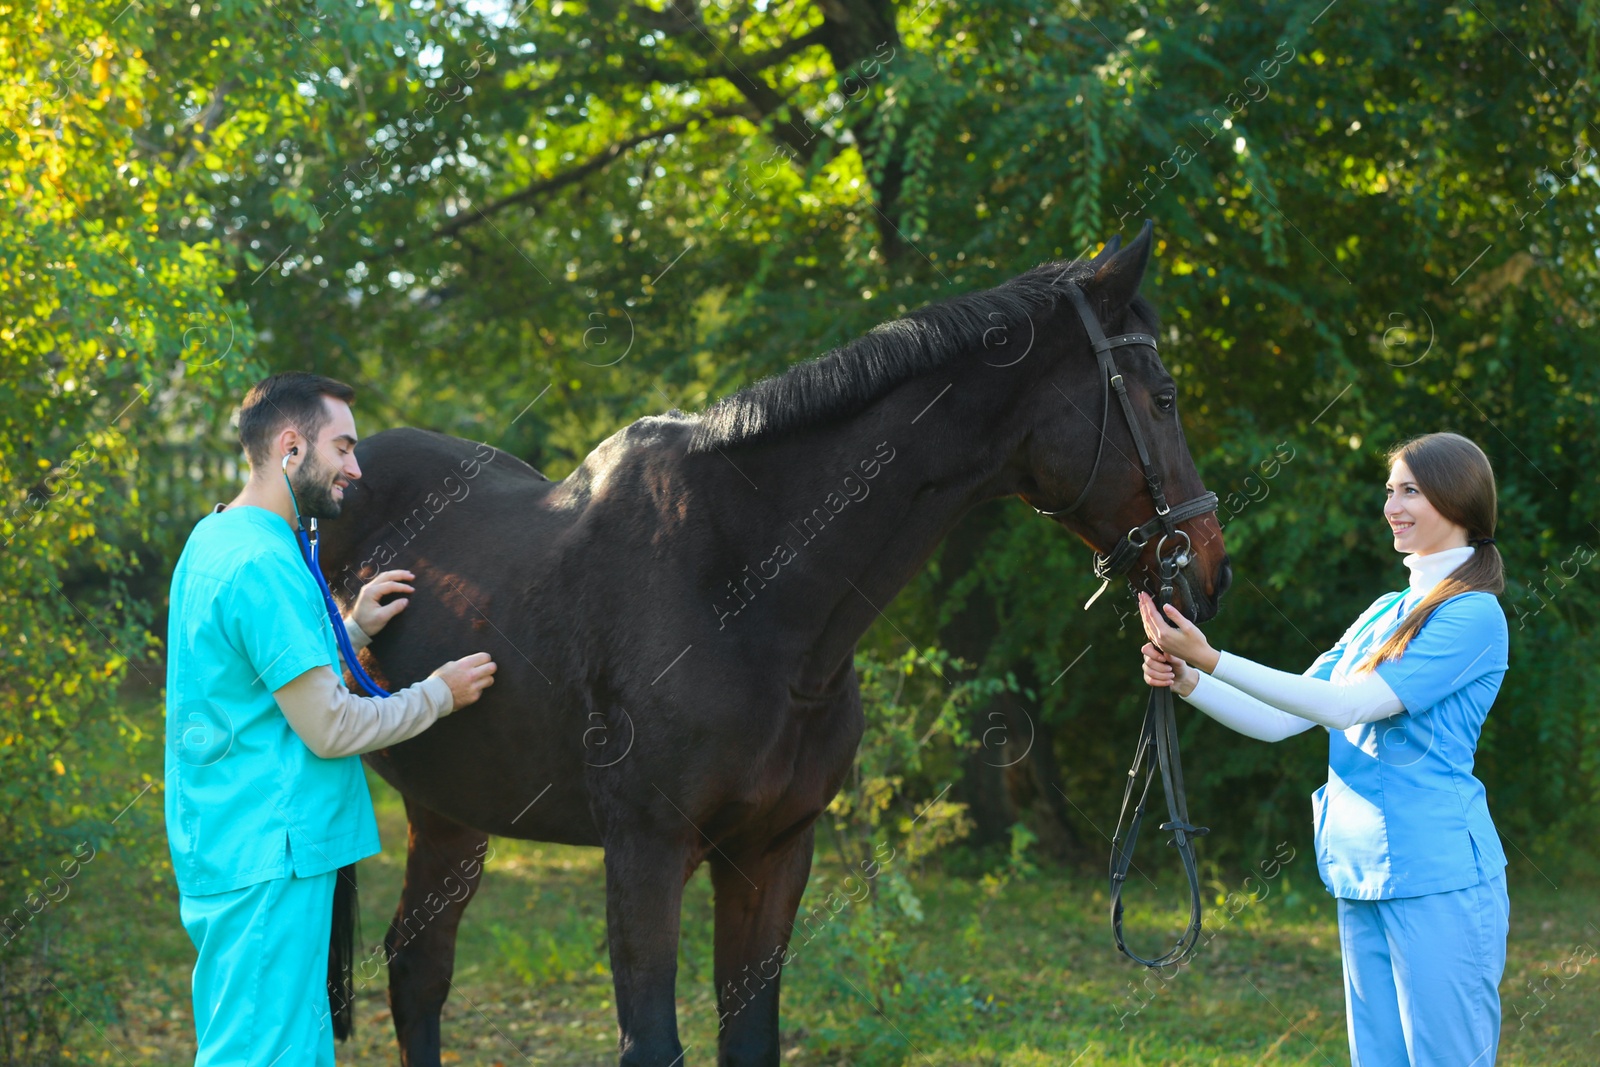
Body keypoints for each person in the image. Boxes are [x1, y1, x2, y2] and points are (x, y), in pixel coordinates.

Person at [1138, 431, 1510, 1067]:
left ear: (1458, 499)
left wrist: (1217, 657)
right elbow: (1282, 720)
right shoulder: (1381, 611)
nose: (1392, 506)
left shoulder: (1473, 614)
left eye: (1411, 491)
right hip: (1361, 874)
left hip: (1439, 878)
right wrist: (1192, 680)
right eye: (1390, 491)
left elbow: (1347, 707)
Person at [164, 371, 498, 1066]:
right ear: (291, 447)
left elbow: (262, 676)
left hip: (233, 837)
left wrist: (352, 628)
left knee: (289, 1044)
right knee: (262, 1052)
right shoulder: (263, 563)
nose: (355, 466)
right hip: (270, 849)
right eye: (342, 447)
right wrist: (438, 693)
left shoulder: (218, 537)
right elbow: (331, 726)